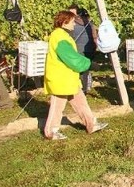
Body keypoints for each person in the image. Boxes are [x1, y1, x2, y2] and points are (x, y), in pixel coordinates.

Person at [43, 10, 108, 140]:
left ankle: (91, 124)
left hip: (68, 77)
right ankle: (51, 131)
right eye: (72, 22)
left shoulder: (62, 35)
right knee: (57, 105)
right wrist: (88, 64)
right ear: (64, 22)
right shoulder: (60, 37)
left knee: (80, 101)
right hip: (60, 78)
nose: (74, 24)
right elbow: (71, 58)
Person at [68, 5, 97, 94]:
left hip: (78, 49)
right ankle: (85, 87)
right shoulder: (90, 23)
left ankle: (80, 88)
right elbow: (94, 36)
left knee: (78, 69)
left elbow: (71, 36)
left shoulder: (73, 23)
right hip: (89, 49)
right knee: (86, 69)